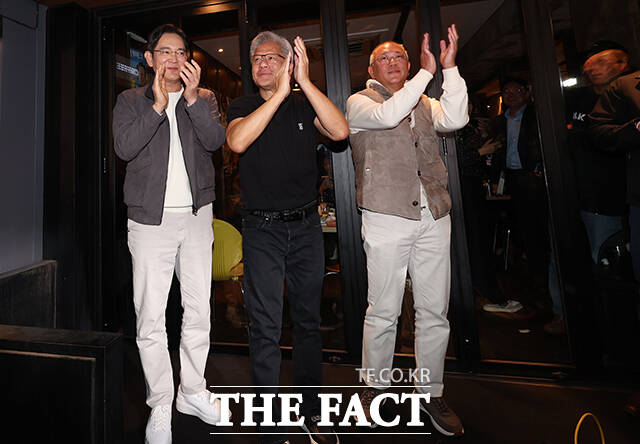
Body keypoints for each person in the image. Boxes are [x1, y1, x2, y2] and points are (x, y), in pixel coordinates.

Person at [226, 31, 348, 444]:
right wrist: (278, 94)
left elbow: (340, 131)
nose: (262, 64)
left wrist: (304, 83)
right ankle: (269, 421)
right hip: (262, 230)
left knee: (308, 322)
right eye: (256, 59)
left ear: (289, 64)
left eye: (272, 58)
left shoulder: (303, 103)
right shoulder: (243, 106)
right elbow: (237, 141)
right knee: (265, 326)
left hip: (306, 228)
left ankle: (311, 409)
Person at [346, 25, 467, 437]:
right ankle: (373, 387)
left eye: (399, 55)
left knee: (434, 310)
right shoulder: (360, 102)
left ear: (409, 62)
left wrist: (448, 69)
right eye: (384, 57)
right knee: (383, 311)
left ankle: (430, 391)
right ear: (371, 69)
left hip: (434, 214)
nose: (393, 61)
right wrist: (425, 75)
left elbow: (457, 118)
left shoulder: (426, 101)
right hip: (385, 216)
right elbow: (389, 115)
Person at [112, 24, 226, 444]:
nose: (174, 59)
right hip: (149, 221)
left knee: (198, 311)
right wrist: (158, 106)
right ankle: (160, 402)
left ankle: (192, 391)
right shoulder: (131, 100)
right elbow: (124, 147)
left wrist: (191, 100)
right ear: (149, 58)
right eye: (165, 51)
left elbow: (216, 141)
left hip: (197, 217)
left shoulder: (205, 98)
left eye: (180, 52)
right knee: (150, 317)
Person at [566, 41, 630, 265]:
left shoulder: (629, 97)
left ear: (622, 64)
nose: (593, 68)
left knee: (612, 260)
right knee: (576, 258)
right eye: (589, 63)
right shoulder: (574, 99)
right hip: (578, 195)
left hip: (617, 196)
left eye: (601, 61)